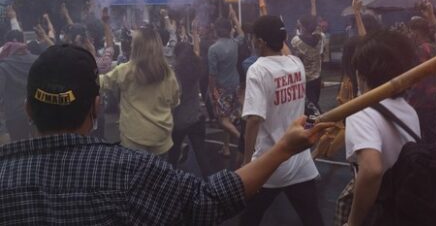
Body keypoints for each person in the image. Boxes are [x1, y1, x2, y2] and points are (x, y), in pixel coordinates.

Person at [0, 44, 332, 225]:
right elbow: (208, 201)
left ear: (27, 109)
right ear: (96, 108)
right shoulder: (127, 171)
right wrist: (283, 149)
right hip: (156, 143)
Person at [241, 15, 323, 226]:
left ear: (259, 42)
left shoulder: (257, 70)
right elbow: (283, 50)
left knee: (249, 219)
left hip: (270, 162)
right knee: (313, 219)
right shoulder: (296, 64)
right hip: (299, 161)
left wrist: (246, 164)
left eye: (254, 38)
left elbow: (253, 120)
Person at [336, 30, 421, 226]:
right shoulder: (408, 109)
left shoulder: (361, 113)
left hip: (380, 209)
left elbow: (372, 169)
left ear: (360, 74)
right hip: (405, 203)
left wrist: (353, 223)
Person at [100, 25, 180, 155]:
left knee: (136, 174)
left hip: (134, 136)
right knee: (158, 174)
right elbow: (175, 101)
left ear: (137, 47)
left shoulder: (126, 70)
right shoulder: (168, 73)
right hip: (161, 137)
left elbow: (102, 82)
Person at [168, 39, 214, 176]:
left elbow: (177, 95)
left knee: (173, 155)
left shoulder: (176, 70)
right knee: (202, 157)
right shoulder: (197, 66)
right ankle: (213, 186)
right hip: (196, 116)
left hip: (179, 120)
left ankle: (170, 184)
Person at [209, 7, 244, 157]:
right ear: (230, 30)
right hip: (235, 85)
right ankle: (226, 147)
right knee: (229, 118)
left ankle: (241, 139)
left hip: (221, 88)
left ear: (216, 31)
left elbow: (212, 75)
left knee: (223, 120)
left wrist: (213, 92)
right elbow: (242, 34)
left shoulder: (213, 49)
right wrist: (235, 18)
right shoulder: (234, 43)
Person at [406, 16, 436, 146]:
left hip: (422, 102)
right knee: (432, 136)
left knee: (419, 138)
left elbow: (420, 79)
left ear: (417, 32)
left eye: (410, 32)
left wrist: (410, 100)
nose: (409, 35)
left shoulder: (421, 50)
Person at [0, 29, 38, 143]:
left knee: (20, 150)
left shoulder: (3, 67)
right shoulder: (38, 60)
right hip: (37, 113)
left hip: (14, 116)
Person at [291, 0, 324, 110]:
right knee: (314, 103)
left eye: (299, 23)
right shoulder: (319, 37)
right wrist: (313, 1)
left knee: (308, 108)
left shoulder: (296, 41)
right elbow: (313, 21)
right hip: (317, 78)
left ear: (303, 26)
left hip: (304, 80)